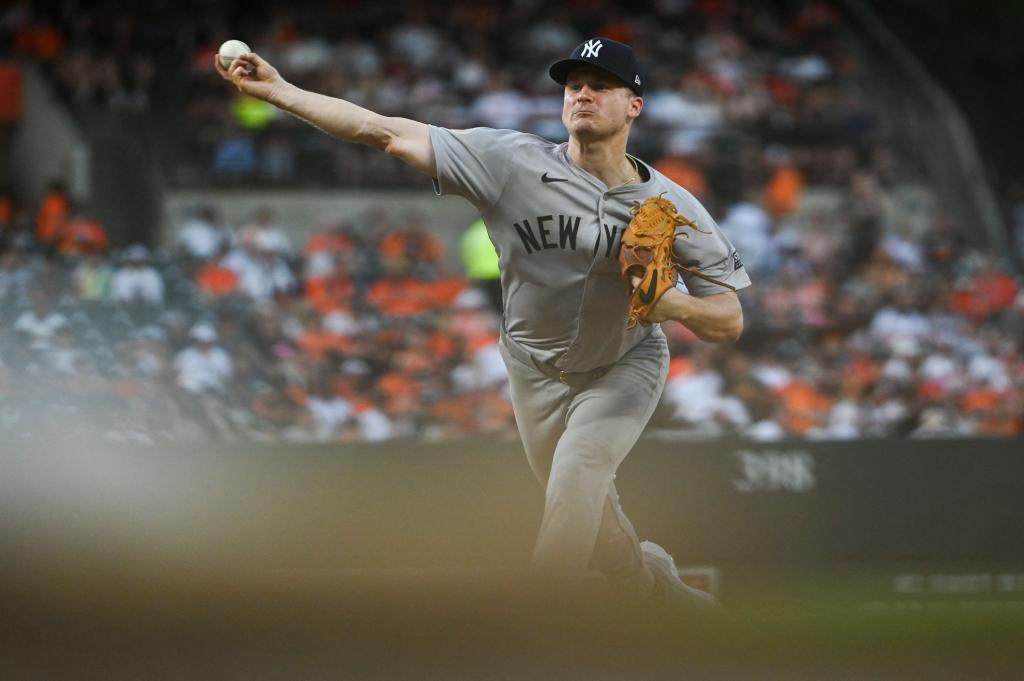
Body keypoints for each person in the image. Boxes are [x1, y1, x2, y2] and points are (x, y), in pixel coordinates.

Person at [217, 37, 751, 604]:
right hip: (533, 368)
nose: (583, 95)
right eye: (574, 86)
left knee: (578, 471)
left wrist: (671, 305)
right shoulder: (508, 161)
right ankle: (657, 590)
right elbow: (382, 130)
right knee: (592, 520)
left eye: (600, 86)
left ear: (634, 106)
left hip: (625, 364)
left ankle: (534, 622)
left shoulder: (673, 206)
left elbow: (729, 321)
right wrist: (280, 91)